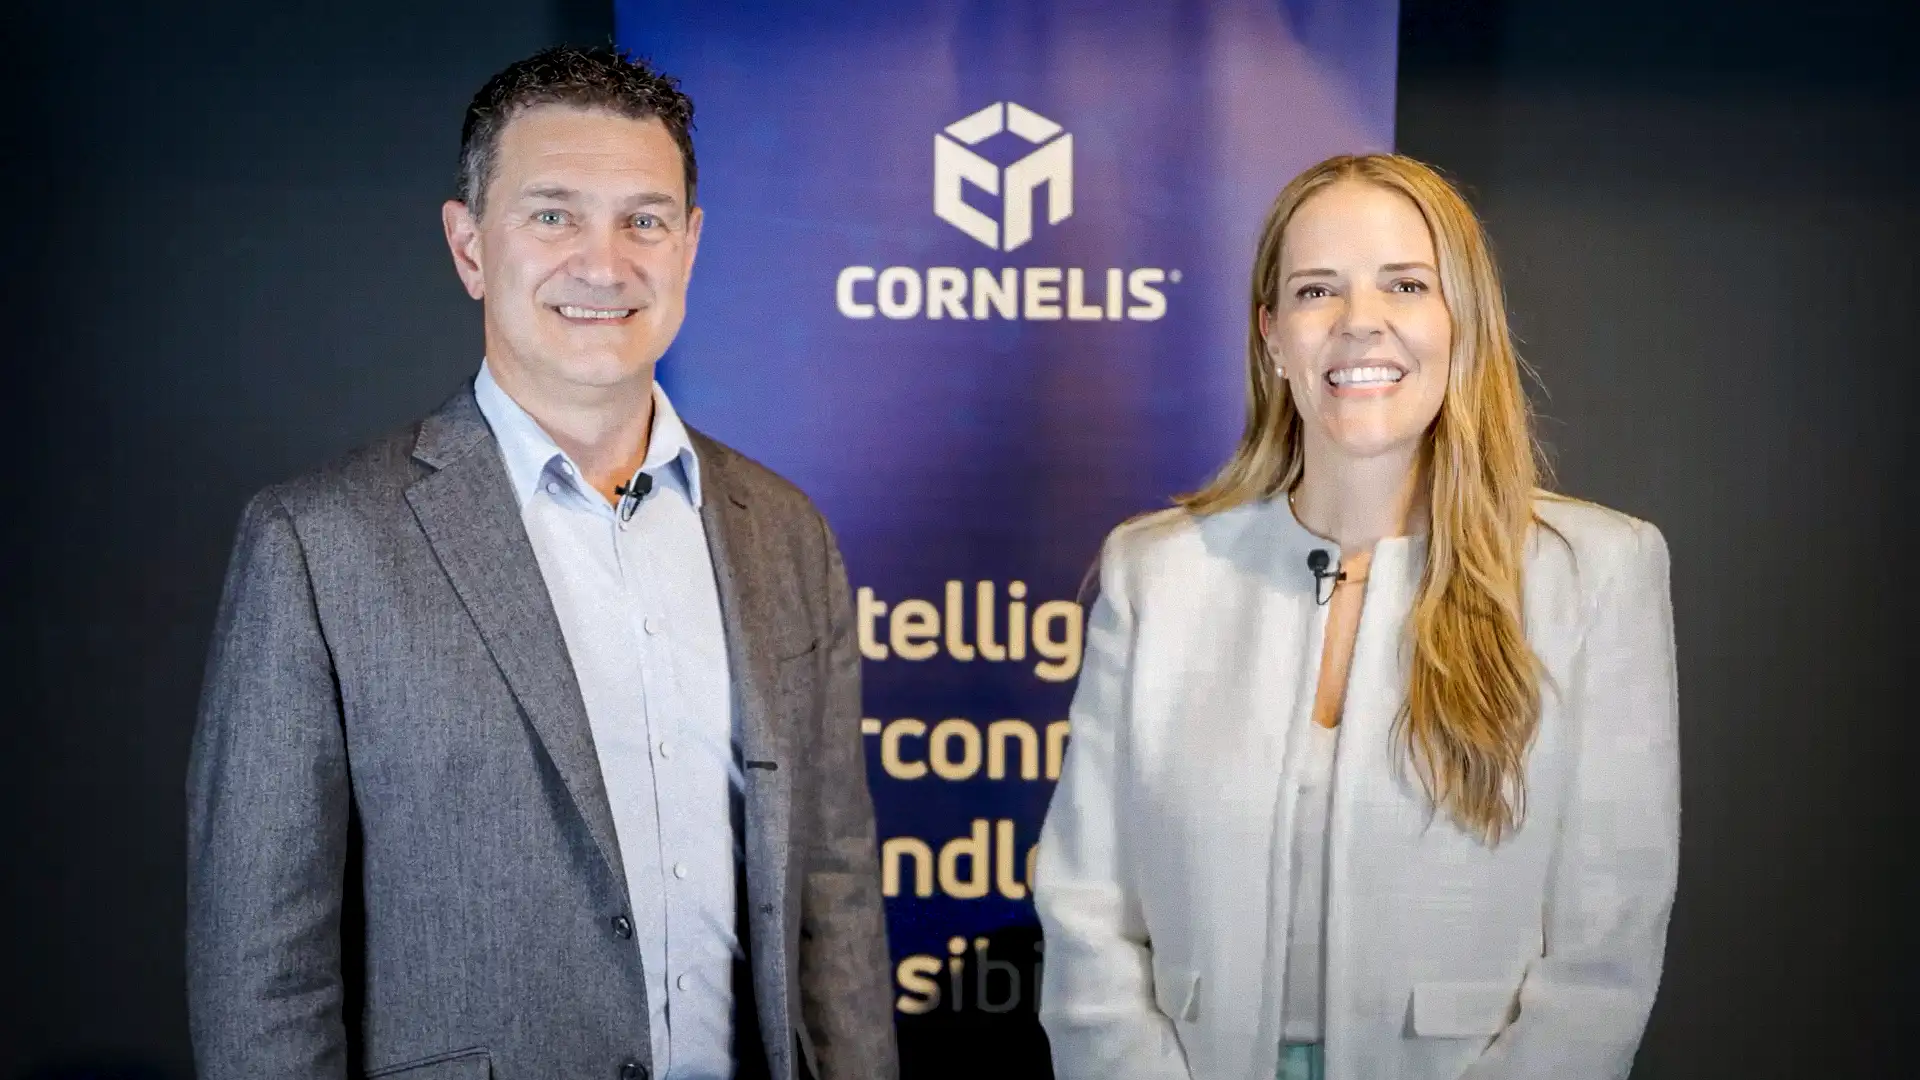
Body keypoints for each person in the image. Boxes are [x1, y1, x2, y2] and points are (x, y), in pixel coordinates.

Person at [186, 46, 896, 1080]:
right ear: (470, 247)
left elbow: (833, 897)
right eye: (553, 215)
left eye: (644, 220)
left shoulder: (783, 531)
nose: (604, 265)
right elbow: (262, 974)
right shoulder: (317, 544)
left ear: (690, 247)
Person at [1034, 153, 1679, 1080]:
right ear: (1273, 337)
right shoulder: (1155, 573)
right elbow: (1087, 910)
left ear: (1462, 323)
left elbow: (1603, 956)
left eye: (1406, 284)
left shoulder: (1597, 574)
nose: (1359, 322)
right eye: (1316, 290)